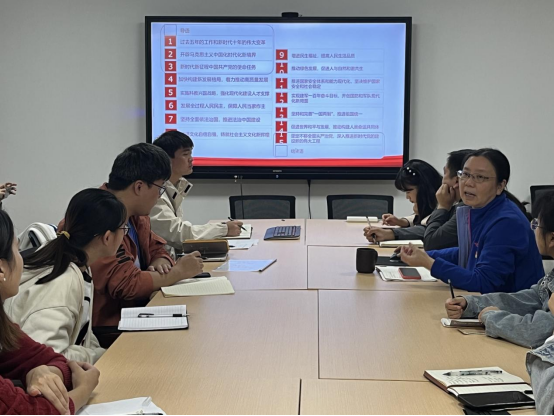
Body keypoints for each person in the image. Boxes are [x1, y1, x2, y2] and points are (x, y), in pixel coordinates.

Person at [59, 144, 204, 334]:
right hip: (109, 326)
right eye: (160, 188)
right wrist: (177, 272)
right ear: (139, 187)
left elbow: (156, 246)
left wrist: (161, 260)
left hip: (137, 312)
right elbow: (125, 283)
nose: (159, 196)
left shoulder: (136, 214)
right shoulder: (97, 217)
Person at [4, 189, 128, 364]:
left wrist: (107, 353)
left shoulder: (75, 263)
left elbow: (82, 333)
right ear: (107, 237)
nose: (124, 234)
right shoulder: (63, 280)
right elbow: (48, 355)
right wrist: (97, 357)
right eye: (123, 229)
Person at [400, 148, 544, 294]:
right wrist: (425, 255)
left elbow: (484, 282)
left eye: (480, 177)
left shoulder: (506, 222)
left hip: (513, 306)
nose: (468, 183)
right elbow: (470, 254)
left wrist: (429, 263)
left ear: (500, 186)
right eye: (465, 174)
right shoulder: (480, 209)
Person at [0, 209, 100, 415]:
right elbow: (29, 412)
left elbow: (52, 359)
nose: (22, 259)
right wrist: (83, 390)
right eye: (17, 249)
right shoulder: (64, 278)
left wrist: (40, 372)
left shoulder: (3, 326)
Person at [445, 191, 554, 348]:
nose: (534, 229)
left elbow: (536, 332)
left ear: (552, 238)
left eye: (536, 224)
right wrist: (472, 304)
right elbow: (530, 298)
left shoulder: (506, 220)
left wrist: (492, 317)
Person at [151, 131, 244, 254]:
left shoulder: (176, 187)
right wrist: (223, 229)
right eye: (185, 154)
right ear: (167, 159)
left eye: (191, 153)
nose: (191, 159)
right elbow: (179, 235)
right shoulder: (154, 193)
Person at [364, 160, 442, 243]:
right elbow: (425, 220)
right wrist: (401, 222)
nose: (407, 197)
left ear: (423, 188)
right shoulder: (435, 200)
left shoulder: (444, 203)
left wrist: (389, 234)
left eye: (408, 191)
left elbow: (429, 229)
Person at [423, 150, 474, 251]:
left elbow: (430, 243)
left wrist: (442, 207)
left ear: (457, 180)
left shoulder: (466, 208)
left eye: (445, 173)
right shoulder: (459, 206)